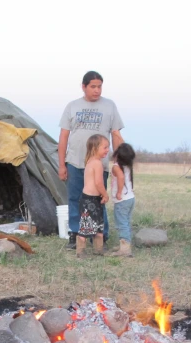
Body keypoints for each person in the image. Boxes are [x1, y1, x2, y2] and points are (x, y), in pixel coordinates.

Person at [59, 71, 124, 249]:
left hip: (98, 165)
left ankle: (100, 235)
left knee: (98, 199)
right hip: (75, 162)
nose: (97, 90)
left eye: (100, 86)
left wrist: (121, 159)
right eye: (93, 87)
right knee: (75, 198)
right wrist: (61, 165)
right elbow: (63, 136)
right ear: (84, 86)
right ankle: (75, 234)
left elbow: (116, 134)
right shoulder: (72, 106)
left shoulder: (109, 106)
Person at [76, 134, 110, 258]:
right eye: (105, 147)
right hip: (89, 200)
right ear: (95, 148)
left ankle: (98, 249)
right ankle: (80, 251)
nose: (108, 150)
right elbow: (99, 183)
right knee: (86, 226)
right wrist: (105, 194)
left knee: (99, 225)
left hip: (92, 199)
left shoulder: (90, 161)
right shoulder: (97, 163)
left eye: (108, 147)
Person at [108, 143, 136, 258]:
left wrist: (119, 192)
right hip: (130, 198)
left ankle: (124, 249)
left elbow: (120, 178)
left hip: (122, 200)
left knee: (122, 223)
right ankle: (125, 244)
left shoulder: (116, 167)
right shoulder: (128, 166)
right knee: (126, 222)